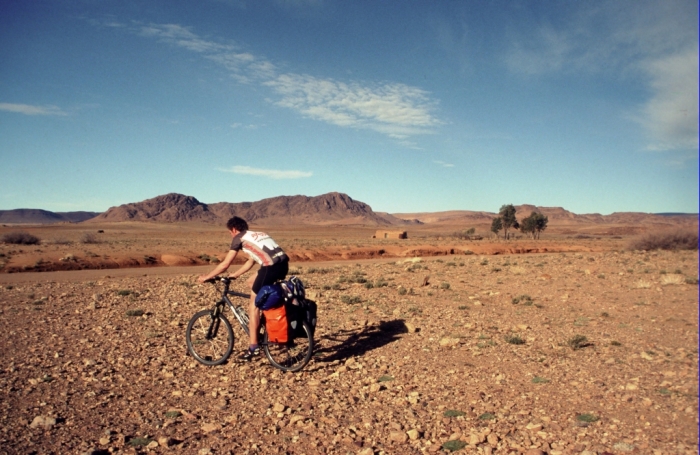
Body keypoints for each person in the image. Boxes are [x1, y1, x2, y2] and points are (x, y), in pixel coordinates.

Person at [198, 216, 289, 360]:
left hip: (270, 268)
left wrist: (207, 277)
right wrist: (236, 274)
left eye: (230, 232)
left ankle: (253, 347)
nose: (231, 234)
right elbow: (251, 260)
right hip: (283, 265)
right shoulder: (257, 235)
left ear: (233, 229)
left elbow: (224, 265)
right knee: (251, 282)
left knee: (253, 307)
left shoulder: (239, 238)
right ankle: (265, 325)